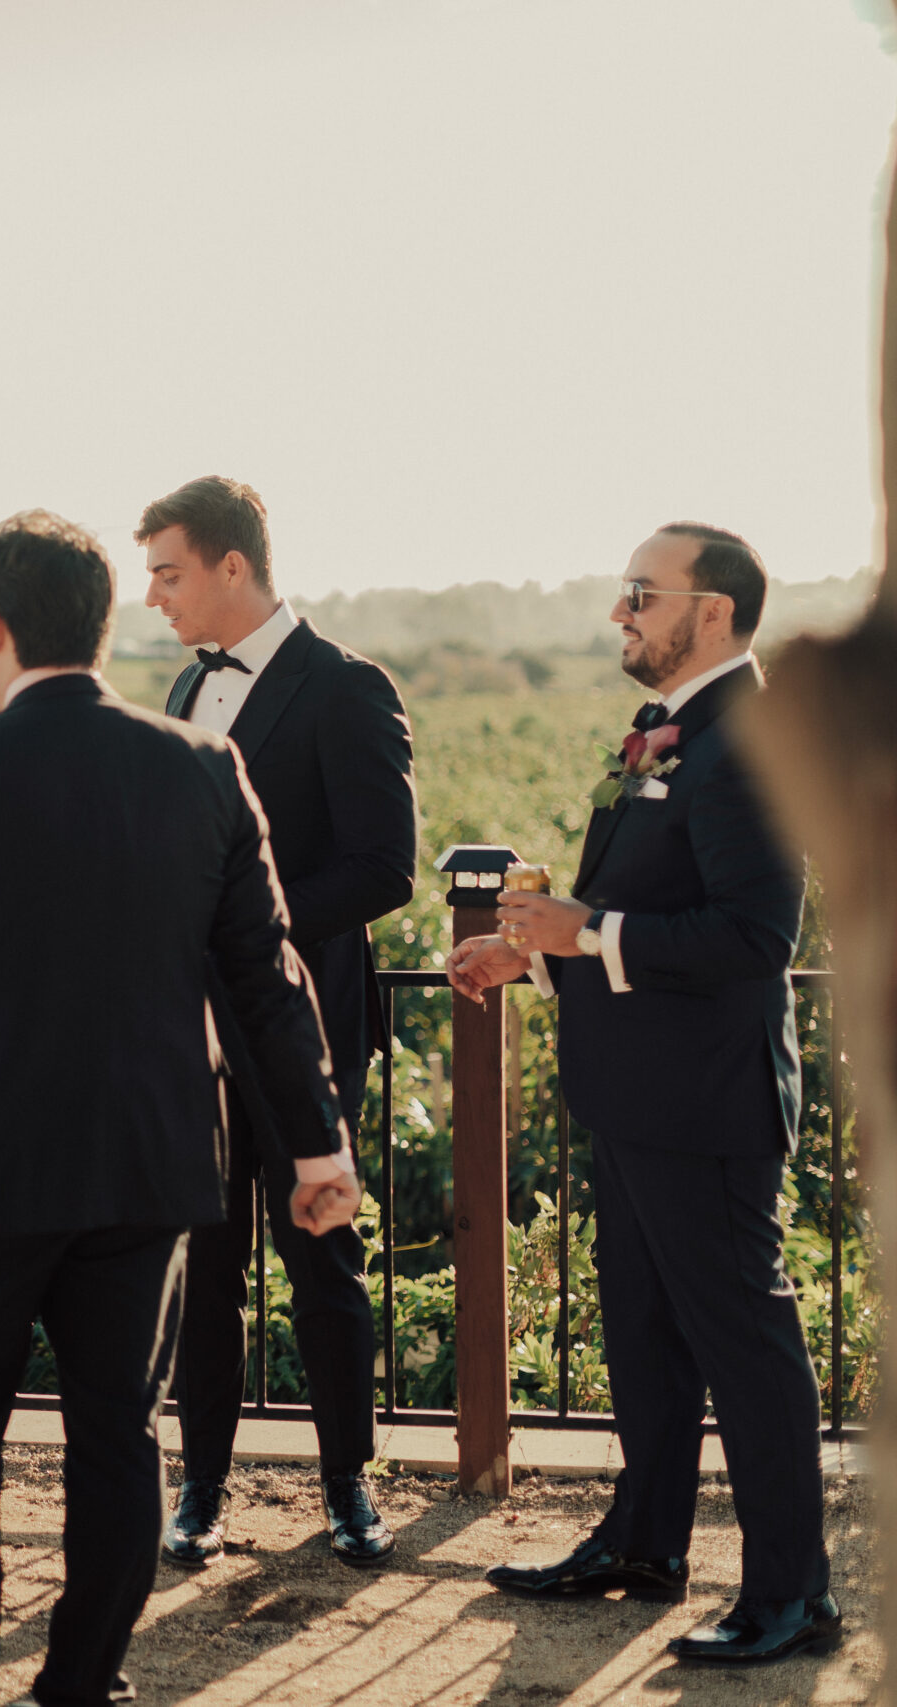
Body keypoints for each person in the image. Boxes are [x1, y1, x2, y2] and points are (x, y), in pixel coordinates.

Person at [0, 508, 359, 1707]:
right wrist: (318, 1144)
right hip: (145, 1162)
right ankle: (82, 1680)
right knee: (116, 1437)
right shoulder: (200, 767)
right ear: (106, 624)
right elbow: (266, 977)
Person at [454, 524, 837, 1665]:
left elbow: (756, 937)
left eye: (639, 594)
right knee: (644, 1339)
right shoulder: (665, 737)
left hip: (708, 1105)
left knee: (745, 1345)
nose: (619, 614)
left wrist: (596, 931)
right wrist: (540, 949)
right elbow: (636, 905)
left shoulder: (753, 740)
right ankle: (644, 1543)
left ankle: (790, 1595)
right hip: (632, 1096)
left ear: (710, 612)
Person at [137, 476, 417, 1569]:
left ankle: (348, 1486)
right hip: (190, 1039)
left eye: (167, 572)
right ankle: (200, 1488)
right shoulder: (179, 691)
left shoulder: (345, 686)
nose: (154, 595)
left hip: (302, 1028)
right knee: (203, 1272)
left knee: (323, 1265)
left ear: (230, 568)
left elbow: (383, 867)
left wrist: (251, 926)